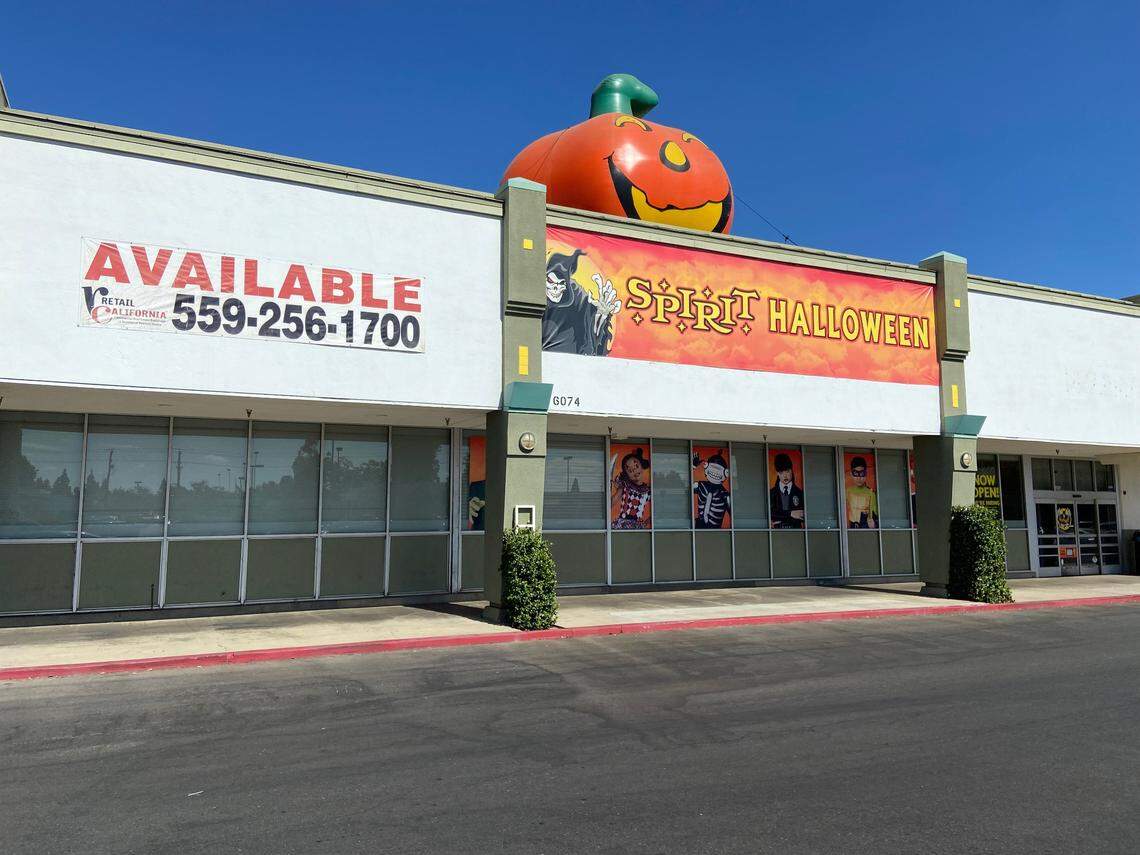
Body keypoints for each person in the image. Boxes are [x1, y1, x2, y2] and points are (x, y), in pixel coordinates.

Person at [542, 250, 622, 355]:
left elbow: (592, 333)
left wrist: (602, 316)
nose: (556, 288)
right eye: (551, 281)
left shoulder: (578, 297)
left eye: (561, 283)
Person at [612, 448, 651, 529]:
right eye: (630, 470)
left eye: (636, 466)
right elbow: (613, 501)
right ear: (626, 474)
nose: (634, 471)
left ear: (642, 465)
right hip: (622, 524)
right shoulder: (625, 486)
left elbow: (657, 509)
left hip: (637, 526)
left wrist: (646, 523)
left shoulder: (647, 491)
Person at [693, 451, 731, 529]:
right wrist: (693, 466)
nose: (715, 472)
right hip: (698, 526)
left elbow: (734, 515)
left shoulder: (725, 494)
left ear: (726, 473)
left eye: (718, 469)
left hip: (714, 530)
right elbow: (685, 488)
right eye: (712, 467)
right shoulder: (700, 485)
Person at [769, 453, 805, 529]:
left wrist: (780, 517)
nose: (785, 476)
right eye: (781, 472)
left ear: (792, 471)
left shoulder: (800, 493)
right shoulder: (771, 493)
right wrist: (791, 514)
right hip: (777, 532)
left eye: (787, 471)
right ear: (777, 474)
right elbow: (770, 513)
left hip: (796, 532)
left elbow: (802, 515)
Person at [846, 456, 878, 528]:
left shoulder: (871, 493)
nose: (859, 478)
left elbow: (876, 514)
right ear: (851, 474)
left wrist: (874, 524)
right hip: (851, 526)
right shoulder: (847, 491)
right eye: (856, 473)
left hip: (865, 526)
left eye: (862, 473)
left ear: (866, 473)